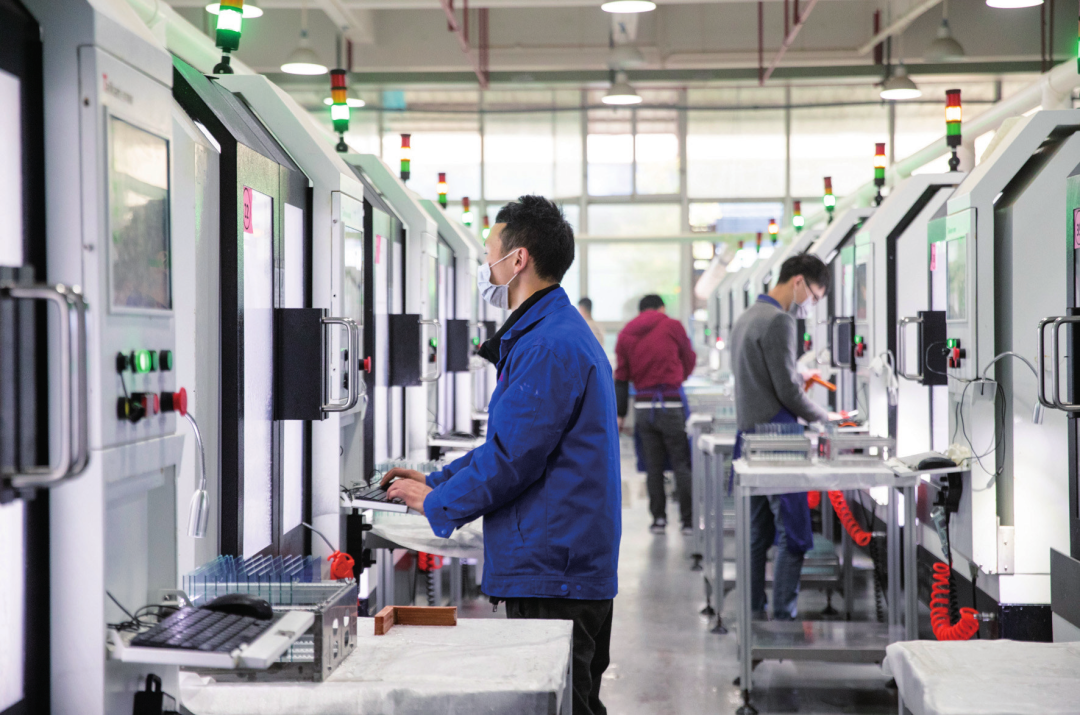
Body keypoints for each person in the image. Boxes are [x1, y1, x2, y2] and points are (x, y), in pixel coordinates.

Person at [383, 195, 621, 715]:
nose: (486, 267)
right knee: (575, 701)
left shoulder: (546, 346)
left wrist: (436, 503)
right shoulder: (552, 333)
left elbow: (513, 459)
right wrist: (437, 480)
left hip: (553, 569)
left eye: (491, 252)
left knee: (563, 705)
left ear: (519, 259)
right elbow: (512, 444)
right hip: (565, 559)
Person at [728, 253, 841, 621]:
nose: (811, 305)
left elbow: (766, 378)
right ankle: (783, 617)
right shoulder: (780, 320)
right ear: (798, 281)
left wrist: (794, 374)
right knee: (794, 535)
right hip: (779, 441)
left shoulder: (748, 316)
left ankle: (753, 612)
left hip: (750, 439)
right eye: (814, 296)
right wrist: (826, 417)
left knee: (757, 534)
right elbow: (788, 393)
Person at [614, 294, 697, 535]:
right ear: (661, 308)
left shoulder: (626, 333)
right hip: (670, 403)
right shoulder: (672, 326)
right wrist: (677, 379)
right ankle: (688, 522)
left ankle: (658, 520)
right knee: (681, 463)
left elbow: (621, 377)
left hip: (642, 407)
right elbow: (689, 359)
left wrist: (620, 413)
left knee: (653, 467)